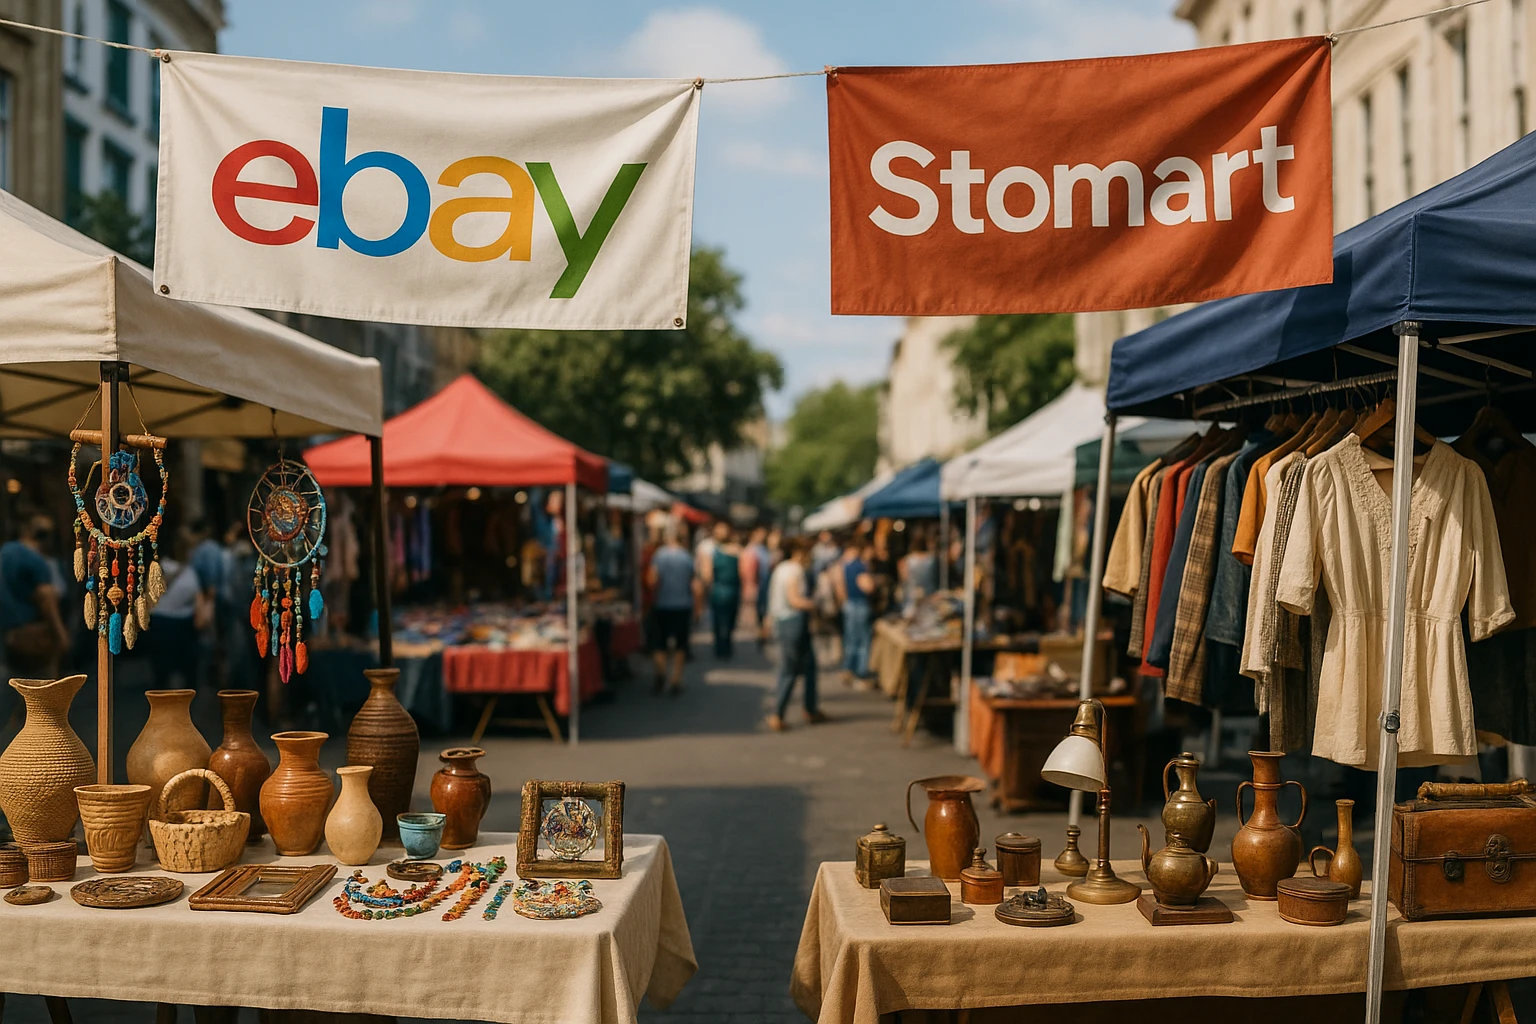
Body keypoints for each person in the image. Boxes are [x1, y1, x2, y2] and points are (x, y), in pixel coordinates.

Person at [766, 537, 826, 731]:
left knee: (808, 666)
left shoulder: (781, 568)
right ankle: (778, 714)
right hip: (793, 622)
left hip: (783, 621)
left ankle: (810, 707)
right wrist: (814, 604)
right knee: (789, 670)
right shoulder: (794, 570)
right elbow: (795, 600)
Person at [0, 515, 69, 680]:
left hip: (7, 633)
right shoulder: (35, 560)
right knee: (39, 692)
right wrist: (61, 635)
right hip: (32, 636)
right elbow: (46, 598)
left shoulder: (5, 552)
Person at [149, 538, 207, 690]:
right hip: (183, 625)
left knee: (161, 671)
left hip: (159, 623)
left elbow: (146, 596)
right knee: (186, 670)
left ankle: (160, 702)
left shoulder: (157, 568)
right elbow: (198, 599)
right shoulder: (189, 572)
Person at [646, 529, 697, 694]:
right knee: (680, 645)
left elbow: (652, 580)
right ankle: (676, 678)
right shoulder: (687, 557)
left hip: (662, 604)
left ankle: (661, 672)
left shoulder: (659, 556)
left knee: (659, 642)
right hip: (682, 605)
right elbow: (695, 585)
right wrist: (697, 608)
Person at [702, 521, 742, 660]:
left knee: (724, 621)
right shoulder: (714, 549)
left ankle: (723, 646)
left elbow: (707, 575)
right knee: (724, 621)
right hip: (724, 589)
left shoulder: (730, 549)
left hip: (725, 589)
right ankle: (724, 647)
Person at [840, 541, 876, 685]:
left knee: (851, 639)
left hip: (849, 603)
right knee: (863, 640)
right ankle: (861, 671)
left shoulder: (846, 565)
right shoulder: (860, 566)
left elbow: (840, 584)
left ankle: (848, 668)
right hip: (860, 604)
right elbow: (867, 586)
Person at [898, 532, 939, 612]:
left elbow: (904, 578)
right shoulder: (932, 559)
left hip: (912, 597)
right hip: (929, 596)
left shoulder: (906, 560)